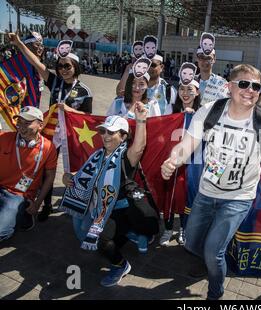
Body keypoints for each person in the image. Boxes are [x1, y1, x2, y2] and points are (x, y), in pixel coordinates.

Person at [160, 64, 261, 300]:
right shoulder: (211, 111)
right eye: (243, 84)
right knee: (191, 243)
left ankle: (215, 291)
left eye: (255, 86)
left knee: (213, 251)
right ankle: (209, 261)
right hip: (206, 191)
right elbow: (188, 144)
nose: (250, 90)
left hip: (238, 198)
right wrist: (172, 160)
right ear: (230, 87)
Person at [62, 106, 156, 286]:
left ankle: (120, 265)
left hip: (120, 211)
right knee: (83, 233)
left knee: (99, 239)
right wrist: (68, 177)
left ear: (123, 137)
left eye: (111, 132)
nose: (105, 135)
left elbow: (140, 147)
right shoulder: (99, 154)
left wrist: (141, 120)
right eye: (103, 131)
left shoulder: (125, 157)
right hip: (100, 209)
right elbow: (86, 176)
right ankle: (130, 234)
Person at [8, 33, 93, 222]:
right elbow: (36, 62)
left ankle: (74, 201)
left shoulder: (85, 91)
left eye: (67, 66)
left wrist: (69, 109)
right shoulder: (54, 81)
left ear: (75, 67)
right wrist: (20, 44)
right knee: (47, 169)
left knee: (73, 169)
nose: (63, 70)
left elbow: (89, 117)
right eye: (61, 65)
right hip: (51, 133)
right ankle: (45, 204)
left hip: (72, 135)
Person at [0, 107, 57, 242]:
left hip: (17, 196)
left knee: (1, 231)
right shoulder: (4, 138)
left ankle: (24, 218)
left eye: (27, 123)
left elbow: (50, 176)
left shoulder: (48, 148)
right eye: (19, 122)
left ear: (40, 125)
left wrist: (37, 204)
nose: (21, 126)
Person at [159, 78, 202, 247]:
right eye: (182, 89)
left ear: (197, 92)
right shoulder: (171, 108)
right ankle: (168, 229)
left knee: (188, 197)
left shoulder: (202, 111)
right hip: (172, 160)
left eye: (190, 89)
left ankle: (184, 228)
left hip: (193, 162)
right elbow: (162, 131)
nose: (185, 93)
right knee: (170, 195)